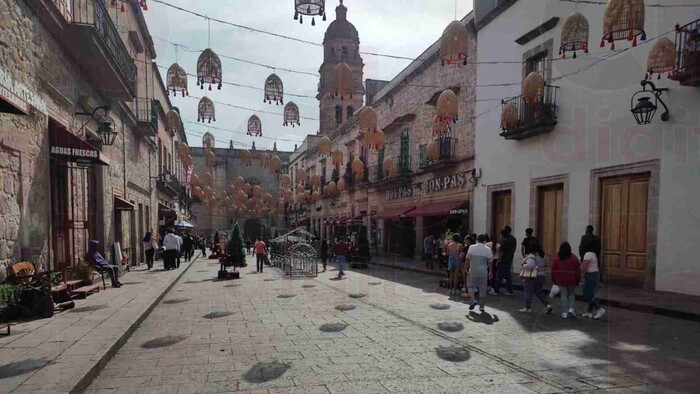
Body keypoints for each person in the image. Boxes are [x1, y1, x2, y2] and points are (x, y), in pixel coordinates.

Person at [519, 241, 553, 314]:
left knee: (528, 291)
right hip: (541, 275)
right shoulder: (542, 255)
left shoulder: (532, 256)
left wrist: (523, 265)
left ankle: (527, 307)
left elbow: (530, 265)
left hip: (532, 276)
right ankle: (547, 305)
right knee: (538, 292)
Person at [465, 234, 494, 312]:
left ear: (477, 239)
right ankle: (481, 306)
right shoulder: (488, 249)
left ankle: (473, 299)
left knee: (471, 285)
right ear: (484, 240)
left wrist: (465, 268)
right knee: (483, 288)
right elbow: (490, 262)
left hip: (473, 270)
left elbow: (467, 259)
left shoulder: (472, 247)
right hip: (484, 271)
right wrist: (491, 272)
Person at [552, 242, 581, 319]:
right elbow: (578, 270)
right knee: (572, 294)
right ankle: (571, 309)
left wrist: (554, 279)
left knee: (563, 294)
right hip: (572, 280)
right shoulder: (574, 258)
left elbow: (553, 270)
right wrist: (578, 279)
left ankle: (564, 312)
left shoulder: (557, 258)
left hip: (561, 280)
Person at [581, 246, 606, 319]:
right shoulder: (594, 254)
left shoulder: (588, 254)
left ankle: (599, 308)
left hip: (590, 275)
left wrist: (582, 276)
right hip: (595, 274)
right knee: (591, 294)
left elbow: (584, 266)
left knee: (586, 293)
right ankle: (589, 312)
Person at [494, 226, 516, 295]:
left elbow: (501, 253)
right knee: (507, 275)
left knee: (499, 275)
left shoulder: (505, 241)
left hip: (503, 260)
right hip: (510, 258)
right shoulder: (513, 239)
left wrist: (498, 261)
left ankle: (496, 290)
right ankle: (509, 290)